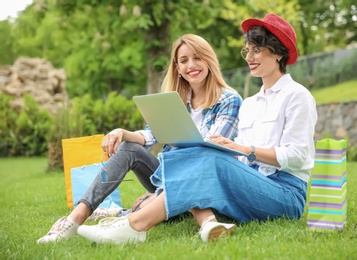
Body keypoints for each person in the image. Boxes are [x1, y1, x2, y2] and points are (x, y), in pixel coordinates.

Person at [76, 13, 318, 244]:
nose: (249, 57)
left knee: (205, 155)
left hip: (285, 193)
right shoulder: (252, 103)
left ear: (277, 53)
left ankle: (134, 224)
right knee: (203, 154)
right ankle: (143, 221)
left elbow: (297, 157)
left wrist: (244, 149)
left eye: (257, 50)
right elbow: (238, 161)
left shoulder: (297, 96)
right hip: (253, 185)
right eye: (248, 50)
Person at [37, 34, 243, 243]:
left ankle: (131, 213)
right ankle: (75, 219)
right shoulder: (174, 100)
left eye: (198, 57)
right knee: (129, 147)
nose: (191, 65)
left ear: (209, 60)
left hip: (202, 184)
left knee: (196, 159)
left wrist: (157, 194)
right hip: (169, 177)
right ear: (178, 68)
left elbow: (208, 155)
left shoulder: (229, 100)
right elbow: (150, 135)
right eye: (184, 60)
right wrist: (122, 132)